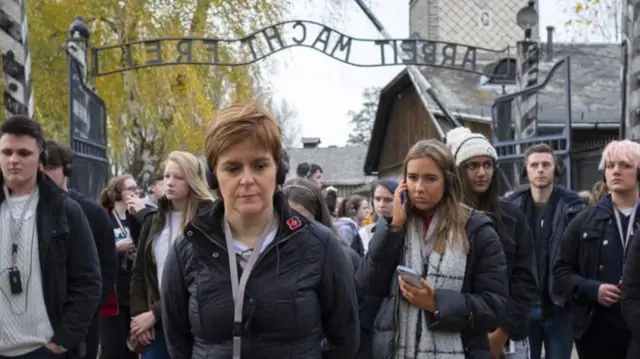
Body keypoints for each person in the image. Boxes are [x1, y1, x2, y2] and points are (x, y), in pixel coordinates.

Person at [161, 103, 359, 358]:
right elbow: (178, 344)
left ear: (279, 170)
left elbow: (345, 341)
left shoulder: (320, 246)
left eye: (259, 165)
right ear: (213, 176)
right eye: (232, 168)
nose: (247, 180)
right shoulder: (187, 248)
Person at [356, 139, 508, 358]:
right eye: (413, 177)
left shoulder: (477, 230)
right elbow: (367, 286)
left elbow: (494, 307)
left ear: (447, 181)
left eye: (430, 179)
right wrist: (393, 229)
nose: (419, 188)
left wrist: (436, 303)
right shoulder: (393, 226)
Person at [0, 115, 102, 359]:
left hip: (43, 349)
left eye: (24, 153)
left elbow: (89, 281)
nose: (14, 160)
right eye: (6, 152)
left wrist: (63, 341)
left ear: (39, 157)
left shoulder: (65, 211)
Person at [446, 128, 538, 358]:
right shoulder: (445, 219)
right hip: (458, 334)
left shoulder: (512, 217)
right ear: (457, 171)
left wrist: (502, 332)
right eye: (472, 165)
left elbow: (525, 278)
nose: (481, 172)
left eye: (488, 165)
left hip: (508, 338)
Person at [555, 140, 640, 359]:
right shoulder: (584, 221)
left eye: (625, 165)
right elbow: (561, 271)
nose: (616, 171)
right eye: (610, 166)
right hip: (597, 330)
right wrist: (593, 289)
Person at [130, 151, 214, 359]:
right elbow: (139, 273)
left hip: (195, 323)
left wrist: (154, 314)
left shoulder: (209, 221)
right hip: (157, 328)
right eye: (167, 176)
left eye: (178, 177)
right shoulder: (153, 221)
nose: (169, 182)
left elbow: (203, 278)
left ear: (193, 180)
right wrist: (140, 317)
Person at [504, 143, 585, 359]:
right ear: (526, 171)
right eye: (534, 165)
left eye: (546, 164)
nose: (540, 169)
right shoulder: (510, 207)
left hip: (560, 306)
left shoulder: (574, 206)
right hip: (522, 306)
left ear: (555, 169)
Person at [40, 140, 118, 359]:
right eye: (41, 168)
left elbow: (106, 268)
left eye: (50, 168)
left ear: (66, 169)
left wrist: (85, 310)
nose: (44, 174)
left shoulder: (91, 212)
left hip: (80, 324)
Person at [282, 178, 374, 359]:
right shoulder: (271, 258)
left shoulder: (341, 257)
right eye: (287, 219)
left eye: (301, 220)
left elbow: (351, 327)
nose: (292, 226)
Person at [98, 175, 155, 359]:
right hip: (113, 296)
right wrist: (116, 248)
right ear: (117, 193)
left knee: (132, 349)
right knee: (112, 349)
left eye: (136, 188)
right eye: (130, 189)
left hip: (134, 295)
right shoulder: (103, 217)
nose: (134, 192)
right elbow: (92, 253)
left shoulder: (137, 217)